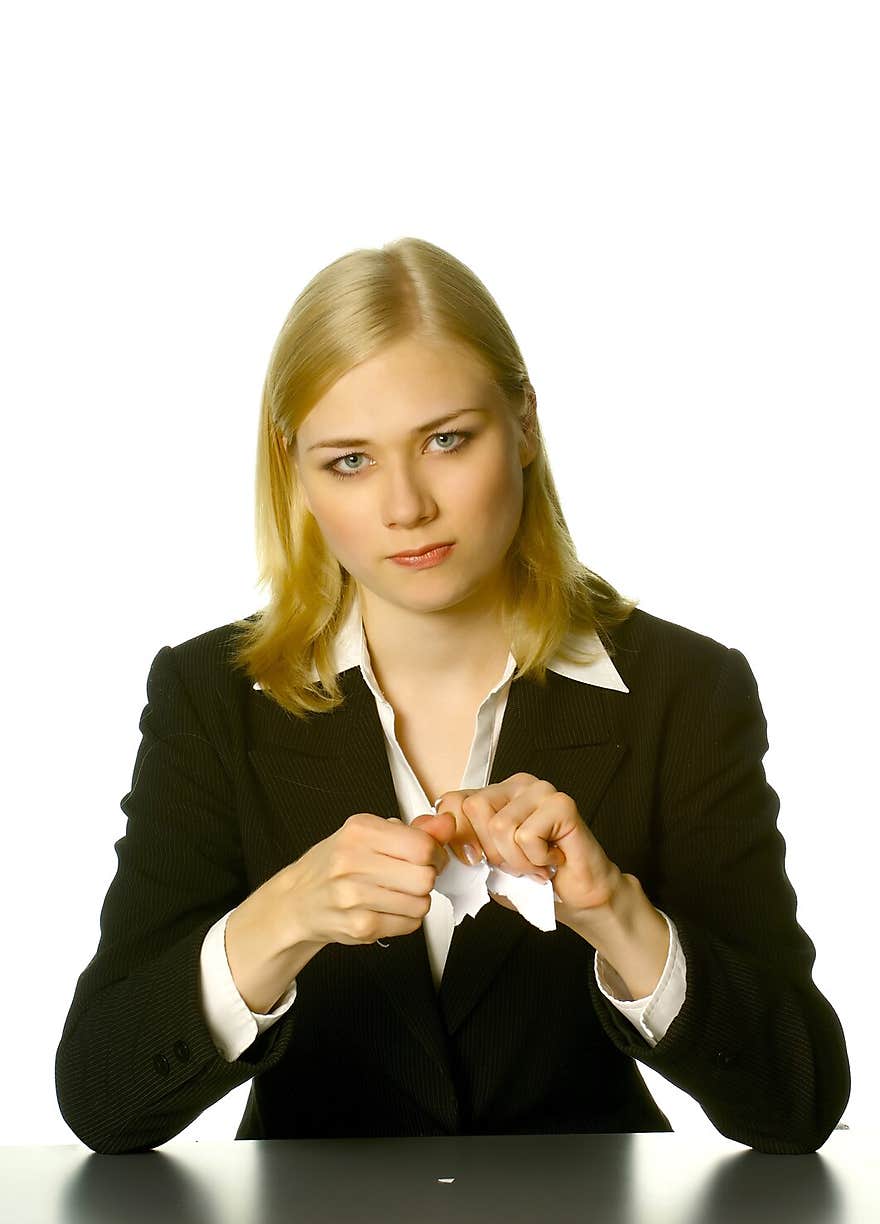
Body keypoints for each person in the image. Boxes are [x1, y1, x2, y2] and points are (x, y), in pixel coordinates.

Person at [55, 237, 850, 1155]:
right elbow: (103, 1100)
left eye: (445, 440)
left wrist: (614, 914)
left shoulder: (686, 689)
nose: (405, 507)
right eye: (349, 460)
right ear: (296, 470)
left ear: (524, 422)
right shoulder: (210, 698)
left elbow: (798, 1106)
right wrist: (283, 918)